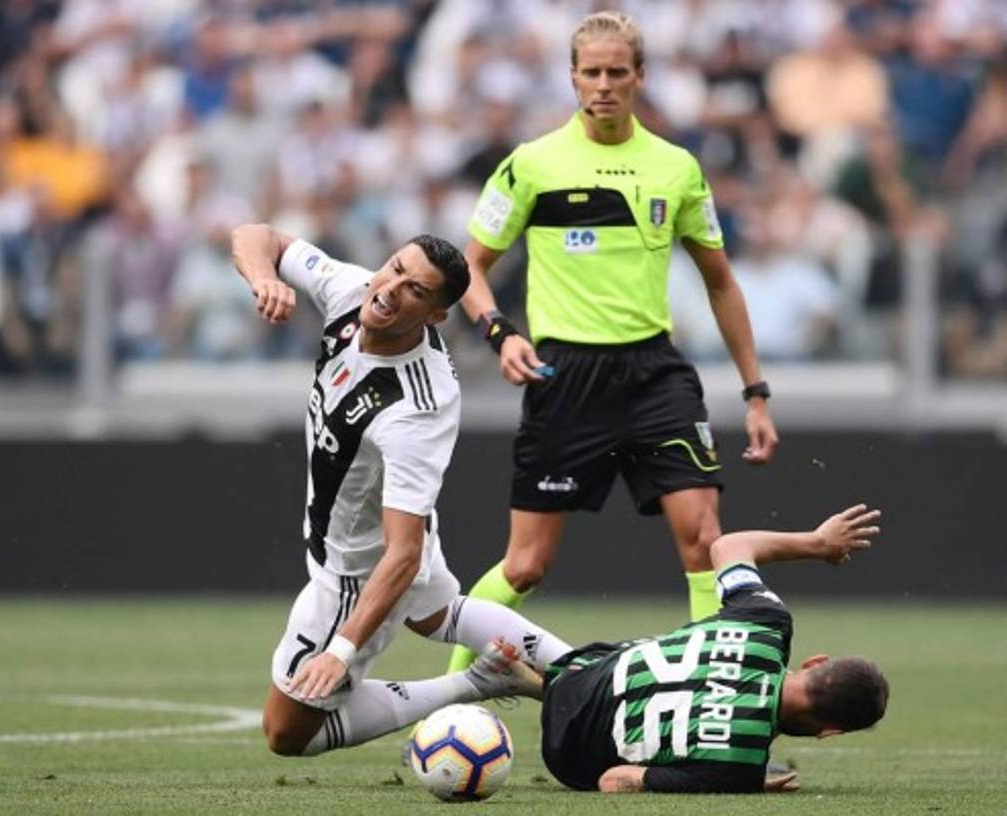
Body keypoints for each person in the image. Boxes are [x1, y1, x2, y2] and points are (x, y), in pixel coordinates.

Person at [446, 9, 779, 673]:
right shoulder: (532, 164)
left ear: (640, 77)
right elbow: (469, 269)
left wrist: (756, 391)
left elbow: (720, 282)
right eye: (592, 72)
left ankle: (704, 696)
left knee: (704, 541)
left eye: (617, 72)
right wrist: (499, 333)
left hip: (655, 372)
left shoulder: (676, 168)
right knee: (527, 564)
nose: (603, 85)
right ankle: (450, 696)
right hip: (564, 375)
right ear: (572, 77)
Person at [230, 223, 570, 757]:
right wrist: (263, 278)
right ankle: (586, 670)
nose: (389, 289)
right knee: (437, 614)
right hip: (382, 526)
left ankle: (477, 682)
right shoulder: (353, 290)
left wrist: (342, 650)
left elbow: (404, 554)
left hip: (362, 568)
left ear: (435, 315)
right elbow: (256, 235)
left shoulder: (416, 408)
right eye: (395, 268)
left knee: (286, 733)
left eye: (414, 289)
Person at [509, 502, 888, 793]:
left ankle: (529, 679)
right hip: (567, 754)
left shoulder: (767, 624)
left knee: (676, 650)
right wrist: (742, 782)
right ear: (829, 731)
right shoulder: (738, 769)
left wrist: (817, 544)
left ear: (815, 663)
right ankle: (526, 682)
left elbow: (729, 545)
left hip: (583, 670)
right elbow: (614, 781)